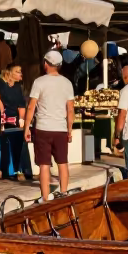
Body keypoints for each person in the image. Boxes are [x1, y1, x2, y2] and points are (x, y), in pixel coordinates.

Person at [24, 50, 76, 202]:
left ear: (45, 64)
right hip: (60, 129)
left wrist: (26, 127)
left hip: (43, 128)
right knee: (63, 162)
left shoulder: (39, 82)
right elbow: (70, 109)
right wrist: (70, 129)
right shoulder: (67, 83)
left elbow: (31, 107)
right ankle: (64, 192)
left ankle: (45, 197)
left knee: (44, 164)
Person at [0, 62, 32, 181]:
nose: (21, 74)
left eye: (21, 72)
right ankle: (3, 169)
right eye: (18, 71)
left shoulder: (17, 87)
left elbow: (21, 105)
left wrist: (21, 119)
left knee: (21, 137)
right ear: (9, 73)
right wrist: (1, 107)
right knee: (4, 139)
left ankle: (24, 170)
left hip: (12, 118)